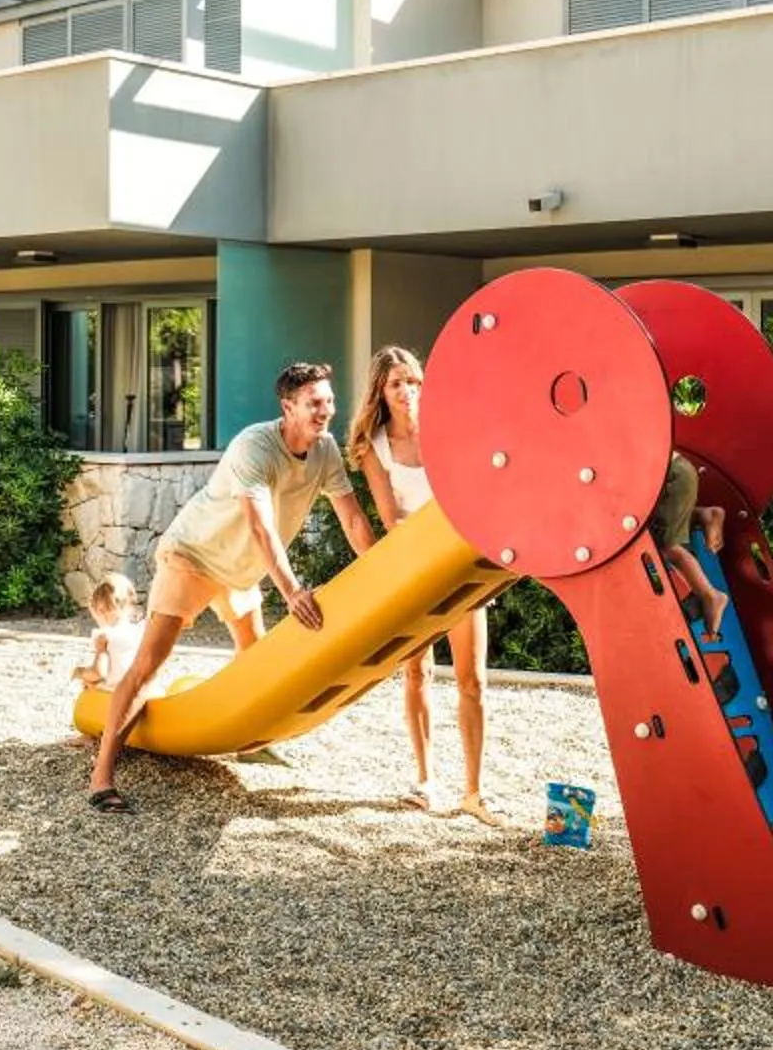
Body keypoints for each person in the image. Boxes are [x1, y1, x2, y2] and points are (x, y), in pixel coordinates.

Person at [88, 361, 374, 812]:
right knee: (149, 664)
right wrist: (293, 591)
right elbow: (261, 528)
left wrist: (379, 570)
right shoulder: (254, 446)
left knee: (255, 656)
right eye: (314, 403)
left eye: (329, 401)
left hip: (240, 569)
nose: (326, 411)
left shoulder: (324, 451)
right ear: (288, 407)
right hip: (194, 556)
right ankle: (102, 776)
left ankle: (249, 744)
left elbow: (353, 519)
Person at [346, 344, 508, 826]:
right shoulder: (373, 447)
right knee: (417, 674)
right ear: (381, 391)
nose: (408, 391)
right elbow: (391, 519)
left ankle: (474, 792)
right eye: (397, 384)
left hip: (461, 566)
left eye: (414, 381)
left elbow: (471, 495)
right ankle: (426, 782)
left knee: (472, 680)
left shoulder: (445, 431)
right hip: (414, 570)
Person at [657, 451, 732, 639]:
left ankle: (711, 596)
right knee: (664, 523)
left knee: (667, 545)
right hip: (678, 470)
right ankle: (701, 515)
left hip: (670, 478)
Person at [72, 571, 143, 696]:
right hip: (142, 692)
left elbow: (99, 672)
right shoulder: (140, 631)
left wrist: (80, 672)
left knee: (88, 684)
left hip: (119, 697)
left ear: (98, 611)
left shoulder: (104, 636)